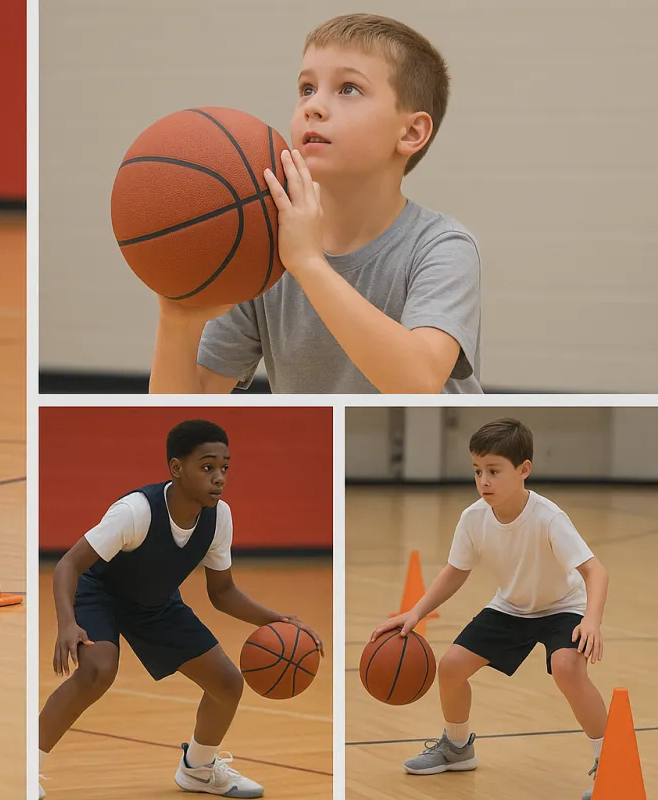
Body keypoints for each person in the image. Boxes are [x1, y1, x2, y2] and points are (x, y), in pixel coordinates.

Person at [149, 13, 481, 394]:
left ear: (410, 132)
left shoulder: (442, 246)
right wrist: (175, 322)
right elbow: (185, 414)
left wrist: (308, 263)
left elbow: (417, 383)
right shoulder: (261, 250)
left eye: (349, 89)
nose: (314, 106)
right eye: (307, 89)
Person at [37, 419, 323, 798]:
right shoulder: (135, 510)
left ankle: (199, 769)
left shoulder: (219, 517)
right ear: (176, 468)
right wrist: (67, 624)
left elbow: (222, 592)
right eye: (207, 467)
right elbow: (68, 566)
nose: (219, 478)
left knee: (227, 684)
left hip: (156, 604)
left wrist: (277, 620)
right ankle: (30, 766)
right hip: (99, 594)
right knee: (97, 671)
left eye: (224, 468)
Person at [371, 418, 608, 799]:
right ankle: (458, 747)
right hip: (511, 607)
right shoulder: (473, 518)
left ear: (523, 470)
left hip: (564, 606)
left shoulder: (549, 518)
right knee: (450, 667)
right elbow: (455, 572)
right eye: (478, 471)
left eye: (494, 471)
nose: (484, 481)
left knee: (567, 668)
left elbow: (595, 571)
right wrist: (415, 613)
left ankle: (609, 762)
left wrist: (592, 621)